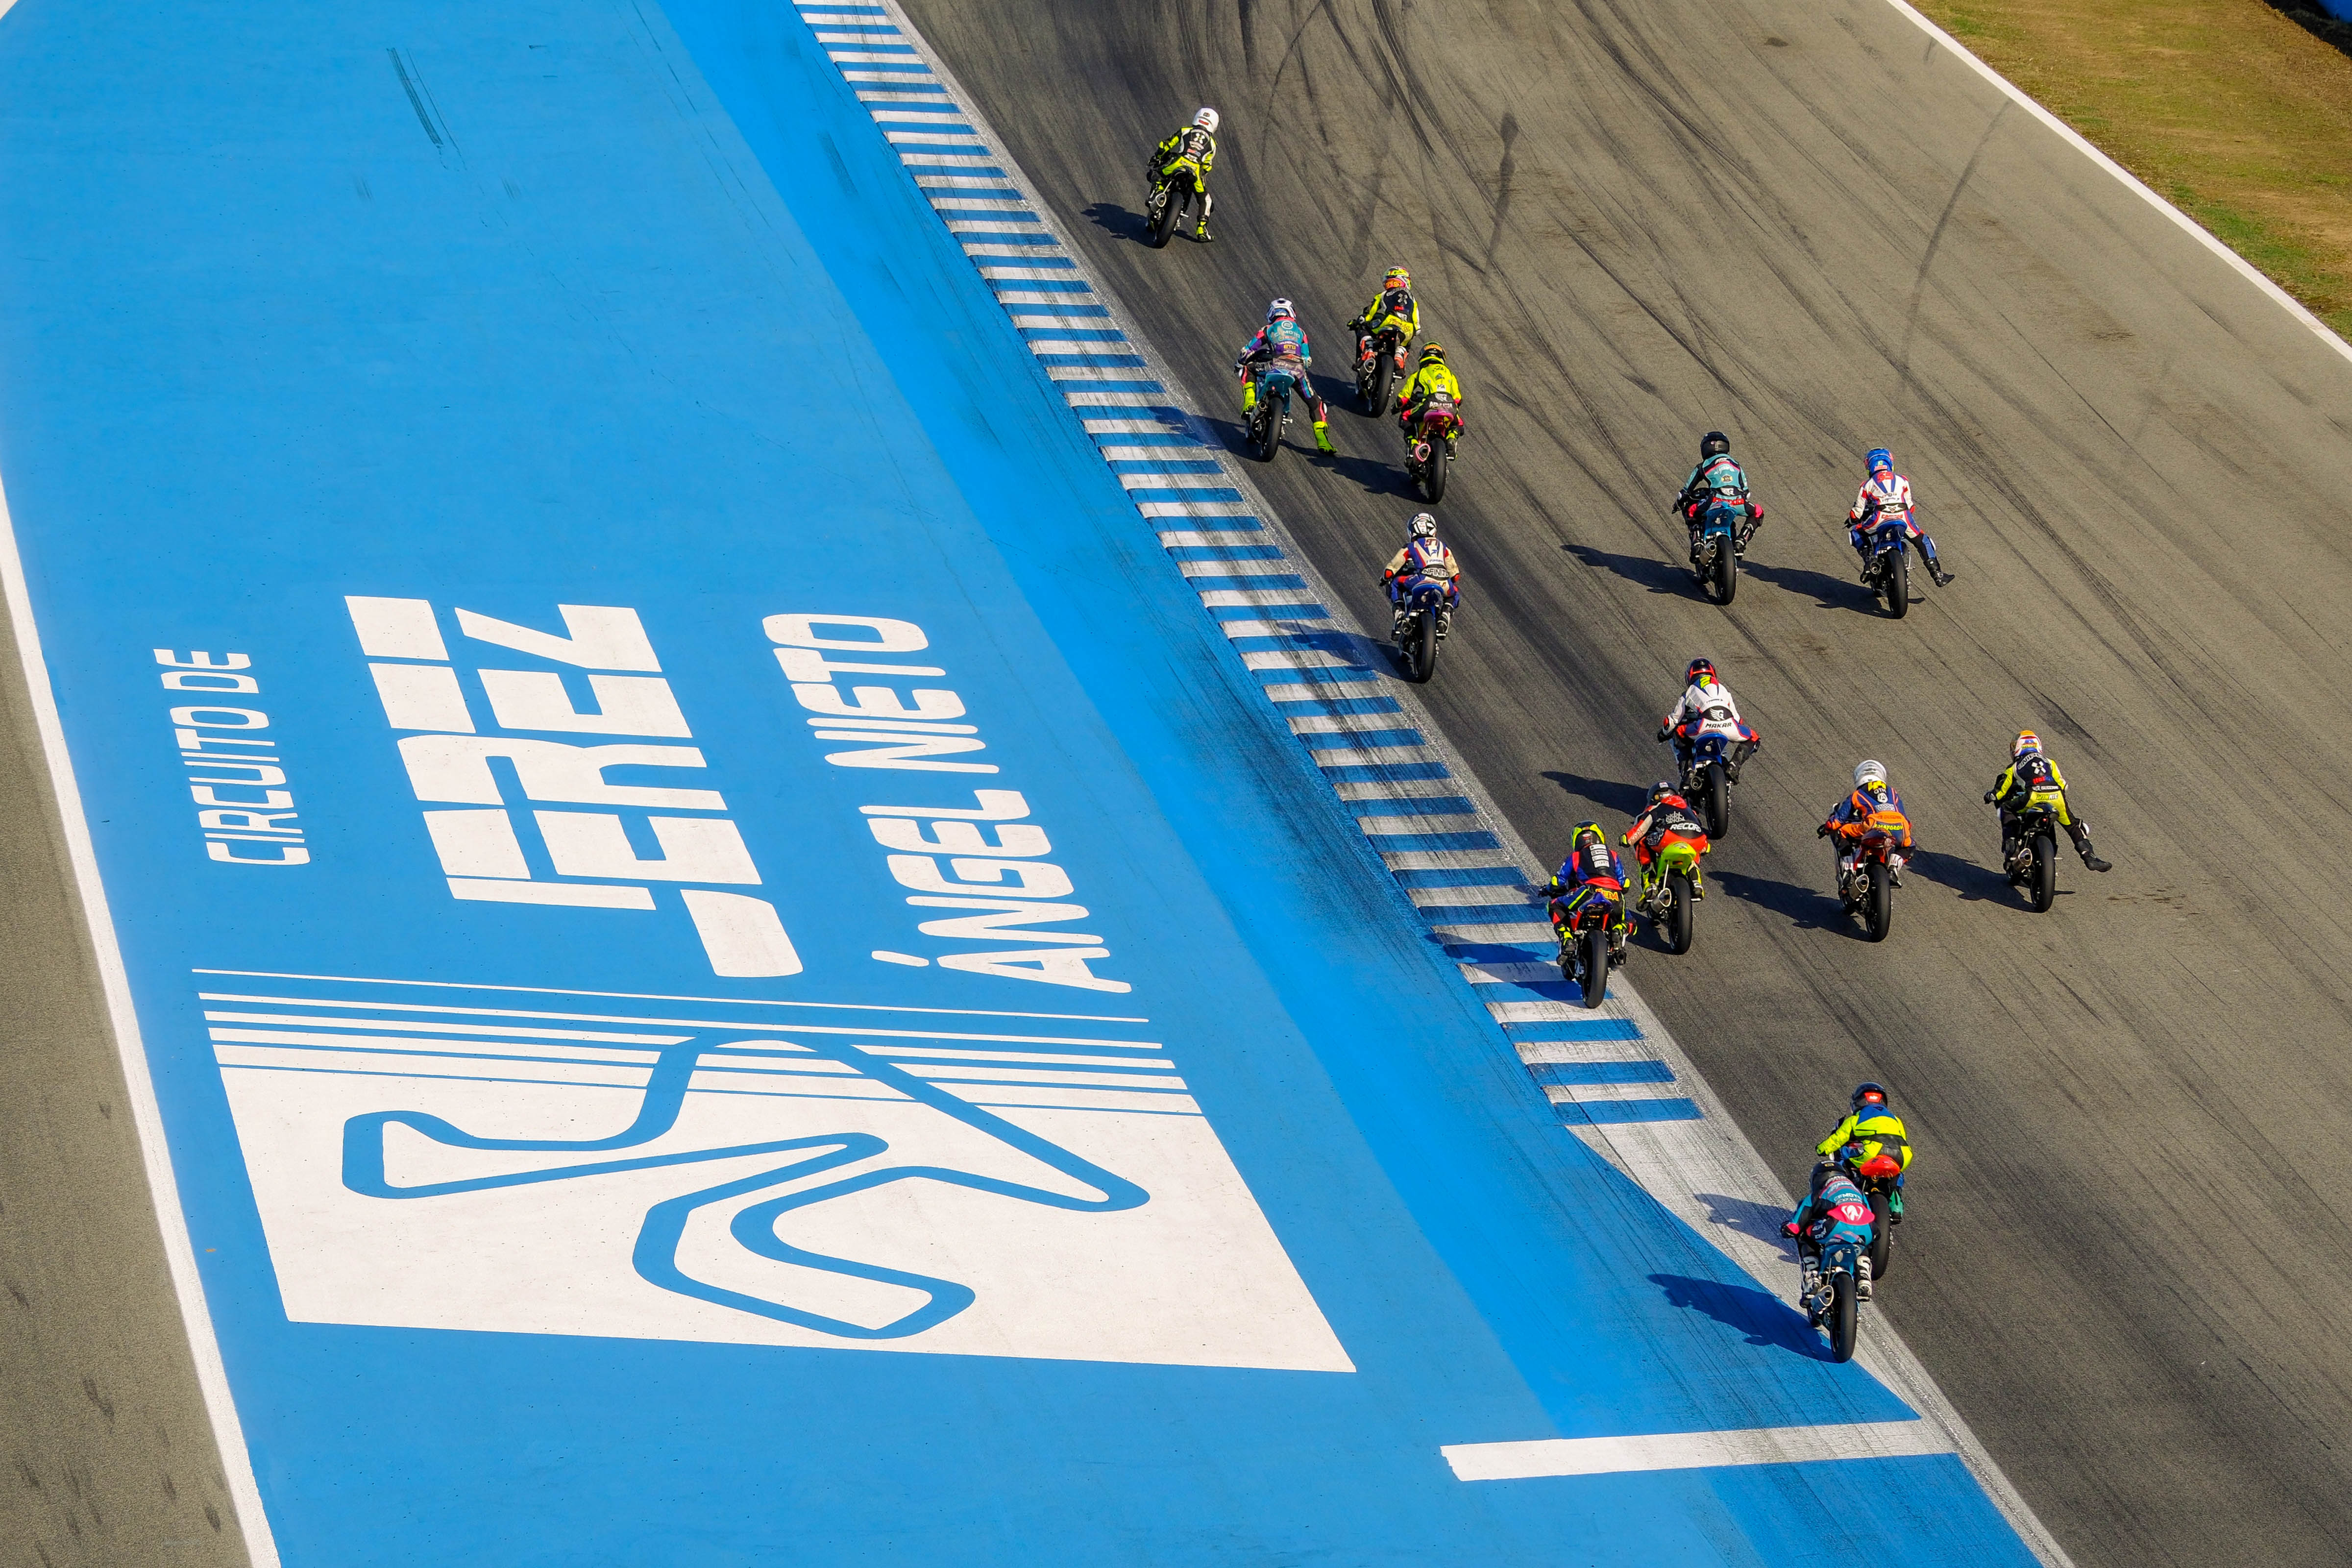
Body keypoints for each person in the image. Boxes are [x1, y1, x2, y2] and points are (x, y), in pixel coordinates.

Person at [1984, 730, 2111, 873]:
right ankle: (2090, 857)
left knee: (2006, 809)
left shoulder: (2014, 767)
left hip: (2032, 797)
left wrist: (1990, 796)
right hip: (2056, 798)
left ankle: (2012, 847)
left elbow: (2001, 791)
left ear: (2016, 749)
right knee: (2074, 825)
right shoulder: (2050, 763)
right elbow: (2063, 784)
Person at [1233, 298, 1335, 454]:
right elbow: (1307, 360)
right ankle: (1323, 442)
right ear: (1292, 313)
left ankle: (1249, 403)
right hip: (1297, 370)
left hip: (1275, 365)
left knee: (1248, 370)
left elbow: (1249, 350)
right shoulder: (1301, 332)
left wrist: (1240, 363)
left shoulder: (1268, 328)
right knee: (1316, 404)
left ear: (1271, 314)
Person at [1847, 447, 1953, 588]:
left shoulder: (1867, 485)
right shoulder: (1902, 480)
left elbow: (1857, 513)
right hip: (1903, 517)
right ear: (1890, 463)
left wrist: (1852, 520)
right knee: (1923, 540)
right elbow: (1911, 506)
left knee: (1855, 532)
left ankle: (1869, 560)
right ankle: (1938, 575)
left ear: (1870, 466)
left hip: (1879, 518)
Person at [1782, 1159, 1882, 1304]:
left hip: (1836, 1226)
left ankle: (1812, 1276)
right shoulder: (1858, 1192)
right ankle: (1864, 1273)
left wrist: (1788, 1229)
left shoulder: (1821, 1193)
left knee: (1804, 1235)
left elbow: (1797, 1223)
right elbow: (1870, 1215)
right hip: (1868, 1228)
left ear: (1818, 1179)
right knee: (1864, 1240)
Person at [1815, 1080, 1911, 1219]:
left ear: (1858, 1102)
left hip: (1872, 1151)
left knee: (1843, 1154)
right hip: (1903, 1154)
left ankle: (1844, 1193)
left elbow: (1837, 1139)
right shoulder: (1896, 1120)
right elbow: (1901, 1138)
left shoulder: (1857, 1119)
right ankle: (1896, 1203)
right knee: (1897, 1173)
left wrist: (1821, 1149)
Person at [1656, 658, 1760, 782]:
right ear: (1713, 673)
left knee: (1679, 732)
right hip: (1729, 726)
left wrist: (1663, 734)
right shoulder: (1723, 689)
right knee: (1754, 737)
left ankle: (1688, 770)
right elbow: (1737, 719)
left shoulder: (1689, 692)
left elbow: (1672, 721)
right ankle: (1734, 765)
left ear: (1690, 676)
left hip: (1703, 726)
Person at [1816, 760, 1915, 887]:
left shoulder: (1857, 794)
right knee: (1909, 845)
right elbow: (1906, 819)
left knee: (1840, 831)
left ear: (1859, 777)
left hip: (1873, 826)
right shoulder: (1893, 792)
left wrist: (1826, 828)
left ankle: (1848, 869)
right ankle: (1894, 868)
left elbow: (1838, 820)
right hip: (1900, 827)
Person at [1673, 431, 1764, 564]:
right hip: (1738, 501)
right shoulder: (1736, 464)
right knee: (1758, 512)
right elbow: (1746, 491)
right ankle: (1741, 541)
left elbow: (1685, 492)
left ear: (1704, 449)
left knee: (1691, 511)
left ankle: (1697, 542)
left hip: (1715, 499)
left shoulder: (1703, 466)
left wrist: (1678, 504)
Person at [1545, 821, 1631, 960]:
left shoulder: (1577, 856)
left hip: (1590, 892)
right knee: (1630, 920)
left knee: (1554, 906)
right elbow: (1624, 884)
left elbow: (1558, 881)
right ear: (1600, 837)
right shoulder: (1613, 855)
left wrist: (1548, 889)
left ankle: (1567, 938)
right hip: (1615, 895)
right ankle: (1620, 930)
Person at [1621, 780, 1709, 901]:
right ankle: (1696, 882)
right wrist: (1705, 846)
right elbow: (1700, 828)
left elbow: (1640, 830)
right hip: (1698, 839)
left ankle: (1650, 884)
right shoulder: (1689, 809)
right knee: (1696, 851)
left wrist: (1626, 840)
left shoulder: (1656, 807)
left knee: (1643, 842)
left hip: (1670, 837)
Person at [1380, 513, 1462, 636]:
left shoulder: (1411, 546)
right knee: (1454, 593)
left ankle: (1400, 614)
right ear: (1434, 530)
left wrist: (1385, 578)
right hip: (1443, 583)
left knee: (1395, 583)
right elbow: (1455, 575)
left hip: (1421, 579)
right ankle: (1445, 614)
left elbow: (1391, 569)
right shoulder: (1444, 547)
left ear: (1412, 531)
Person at [1147, 107, 1219, 242]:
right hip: (1195, 171)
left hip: (1178, 163)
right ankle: (1201, 230)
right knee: (1206, 200)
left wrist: (1157, 157)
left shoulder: (1185, 131)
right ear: (1214, 125)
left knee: (1157, 173)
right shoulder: (1213, 145)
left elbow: (1165, 145)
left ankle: (1156, 195)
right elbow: (1207, 166)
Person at [1349, 265, 1422, 380]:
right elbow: (1417, 327)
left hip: (1388, 322)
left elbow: (1369, 314)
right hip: (1407, 329)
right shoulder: (1413, 300)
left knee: (1364, 328)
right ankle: (1399, 357)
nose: (1389, 285)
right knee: (1407, 344)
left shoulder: (1383, 295)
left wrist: (1361, 320)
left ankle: (1369, 350)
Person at [1393, 342, 1465, 448]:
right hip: (1450, 406)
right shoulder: (1450, 374)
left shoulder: (1420, 373)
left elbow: (1403, 398)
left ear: (1423, 356)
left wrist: (1396, 407)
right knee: (1459, 424)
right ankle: (1451, 438)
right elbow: (1458, 399)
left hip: (1429, 405)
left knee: (1405, 417)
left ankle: (1413, 443)